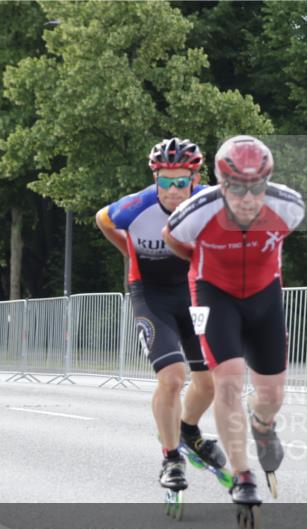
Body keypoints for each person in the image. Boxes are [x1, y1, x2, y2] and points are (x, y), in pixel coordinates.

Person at [162, 136, 305, 506]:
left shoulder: (288, 206)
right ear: (221, 184)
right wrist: (202, 262)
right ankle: (243, 475)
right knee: (227, 382)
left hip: (264, 295)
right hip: (213, 293)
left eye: (257, 187)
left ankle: (263, 425)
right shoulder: (197, 210)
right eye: (237, 188)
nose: (248, 198)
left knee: (272, 394)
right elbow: (174, 240)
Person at [95, 137, 227, 493]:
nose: (172, 189)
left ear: (194, 179)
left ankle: (188, 429)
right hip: (150, 296)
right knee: (171, 378)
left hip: (194, 295)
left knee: (209, 382)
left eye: (180, 181)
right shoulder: (136, 206)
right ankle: (171, 457)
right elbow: (102, 219)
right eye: (164, 181)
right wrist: (130, 252)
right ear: (155, 178)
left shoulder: (211, 204)